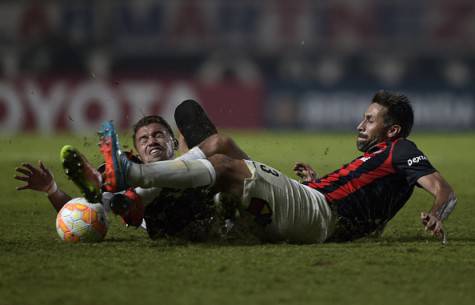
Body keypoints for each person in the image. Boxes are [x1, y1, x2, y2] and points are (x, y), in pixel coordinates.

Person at [98, 90, 457, 244]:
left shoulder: (401, 149)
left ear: (392, 130)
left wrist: (437, 213)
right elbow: (368, 207)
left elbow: (444, 189)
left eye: (370, 120)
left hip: (318, 213)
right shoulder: (380, 163)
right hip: (315, 206)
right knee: (219, 153)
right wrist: (319, 183)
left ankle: (132, 177)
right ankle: (142, 200)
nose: (360, 125)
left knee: (224, 164)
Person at [14, 110, 247, 241]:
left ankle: (124, 194)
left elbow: (221, 146)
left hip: (216, 211)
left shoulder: (200, 164)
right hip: (171, 222)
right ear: (138, 153)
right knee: (126, 192)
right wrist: (51, 189)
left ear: (173, 143)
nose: (152, 141)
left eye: (158, 135)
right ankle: (124, 198)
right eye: (144, 139)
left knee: (188, 110)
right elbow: (82, 211)